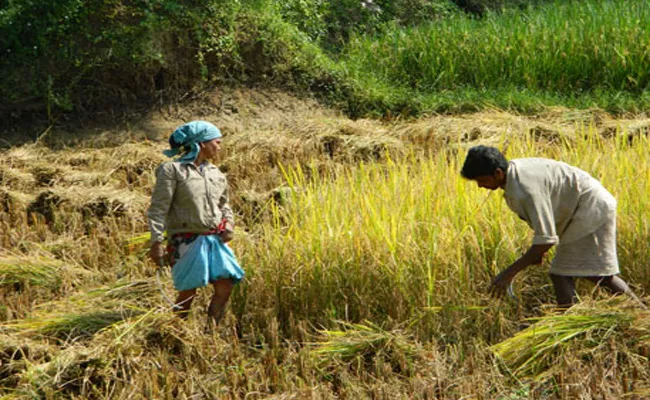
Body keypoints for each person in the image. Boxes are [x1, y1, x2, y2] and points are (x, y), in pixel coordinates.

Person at [460, 145, 644, 308]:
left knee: (561, 273)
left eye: (482, 180)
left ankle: (570, 323)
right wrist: (538, 250)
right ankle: (641, 314)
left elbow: (546, 239)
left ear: (498, 173)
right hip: (584, 208)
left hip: (589, 209)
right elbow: (539, 224)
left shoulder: (525, 187)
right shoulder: (513, 175)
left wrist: (508, 274)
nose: (480, 186)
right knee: (597, 274)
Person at [148, 120, 244, 327]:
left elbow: (224, 205)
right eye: (216, 142)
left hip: (215, 239)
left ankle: (212, 329)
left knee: (225, 286)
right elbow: (159, 208)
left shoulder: (215, 173)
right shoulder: (172, 171)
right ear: (201, 143)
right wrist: (156, 242)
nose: (219, 147)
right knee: (188, 291)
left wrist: (229, 225)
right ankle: (177, 330)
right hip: (187, 239)